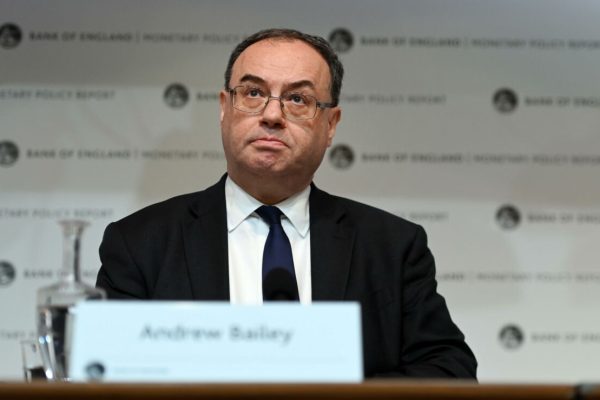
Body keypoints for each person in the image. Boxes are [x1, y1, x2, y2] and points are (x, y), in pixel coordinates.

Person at [96, 28, 477, 379]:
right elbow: (104, 373)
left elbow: (450, 370)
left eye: (298, 99)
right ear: (224, 108)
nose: (272, 115)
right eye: (253, 93)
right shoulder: (140, 243)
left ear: (330, 125)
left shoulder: (391, 246)